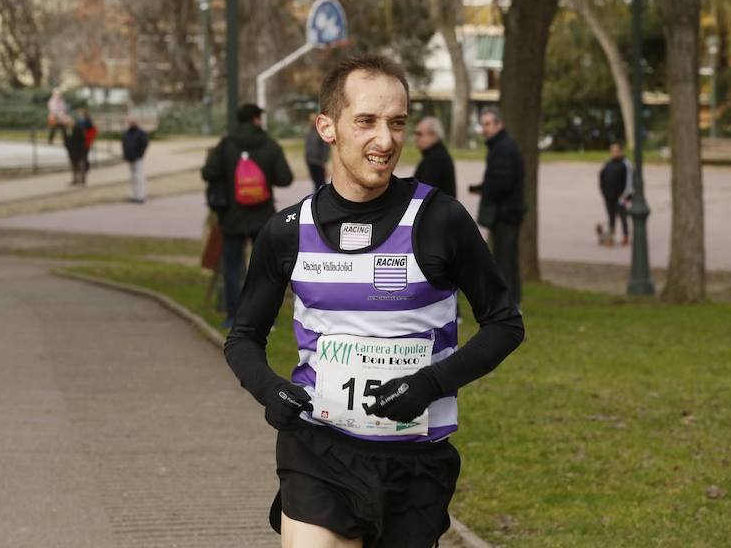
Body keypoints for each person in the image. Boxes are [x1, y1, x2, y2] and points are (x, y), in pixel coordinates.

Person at [223, 55, 523, 547]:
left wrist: (429, 384)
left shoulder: (440, 220)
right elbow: (244, 337)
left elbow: (504, 324)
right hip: (318, 453)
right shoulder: (287, 233)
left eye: (397, 123)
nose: (385, 140)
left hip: (415, 462)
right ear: (327, 127)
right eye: (366, 121)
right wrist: (268, 390)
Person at [201, 103, 293, 327]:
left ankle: (234, 316)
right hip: (263, 216)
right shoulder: (270, 145)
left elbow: (208, 173)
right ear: (255, 120)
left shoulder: (226, 144)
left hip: (232, 216)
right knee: (264, 268)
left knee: (232, 266)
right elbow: (285, 178)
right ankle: (264, 318)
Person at [468, 106, 525, 306]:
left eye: (489, 124)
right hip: (505, 213)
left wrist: (487, 191)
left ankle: (510, 303)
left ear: (499, 124)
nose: (485, 129)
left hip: (506, 213)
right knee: (503, 259)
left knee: (505, 260)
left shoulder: (503, 148)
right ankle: (508, 301)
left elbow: (503, 181)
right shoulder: (500, 147)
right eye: (483, 124)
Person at [597, 142, 633, 246]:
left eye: (616, 151)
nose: (614, 153)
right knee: (611, 217)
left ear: (621, 151)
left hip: (621, 197)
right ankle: (610, 236)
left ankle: (625, 236)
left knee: (623, 217)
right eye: (612, 151)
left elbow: (630, 181)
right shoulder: (608, 164)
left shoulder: (626, 164)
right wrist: (604, 192)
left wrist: (626, 195)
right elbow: (602, 177)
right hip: (608, 196)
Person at [413, 116, 456, 198]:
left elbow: (422, 195)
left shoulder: (435, 159)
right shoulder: (436, 154)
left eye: (419, 134)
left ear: (433, 135)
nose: (416, 138)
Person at [121, 118, 149, 203]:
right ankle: (133, 195)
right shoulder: (126, 133)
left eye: (133, 122)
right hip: (129, 158)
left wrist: (140, 155)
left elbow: (144, 144)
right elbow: (124, 145)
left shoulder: (140, 133)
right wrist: (125, 156)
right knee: (132, 178)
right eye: (130, 122)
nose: (131, 123)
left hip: (137, 158)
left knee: (139, 177)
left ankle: (141, 196)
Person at [304, 112, 330, 191]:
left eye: (313, 119)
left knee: (321, 183)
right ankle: (316, 197)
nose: (312, 121)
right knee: (315, 182)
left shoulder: (321, 132)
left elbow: (326, 147)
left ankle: (321, 199)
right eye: (310, 119)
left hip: (318, 162)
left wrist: (323, 161)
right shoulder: (309, 131)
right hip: (310, 161)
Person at [64, 113, 87, 186]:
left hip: (79, 151)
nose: (68, 123)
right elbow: (66, 140)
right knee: (73, 166)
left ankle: (82, 179)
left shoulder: (78, 129)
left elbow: (83, 139)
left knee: (81, 165)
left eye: (69, 122)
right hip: (71, 151)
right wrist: (67, 148)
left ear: (72, 122)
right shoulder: (66, 130)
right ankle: (75, 180)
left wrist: (81, 149)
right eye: (66, 122)